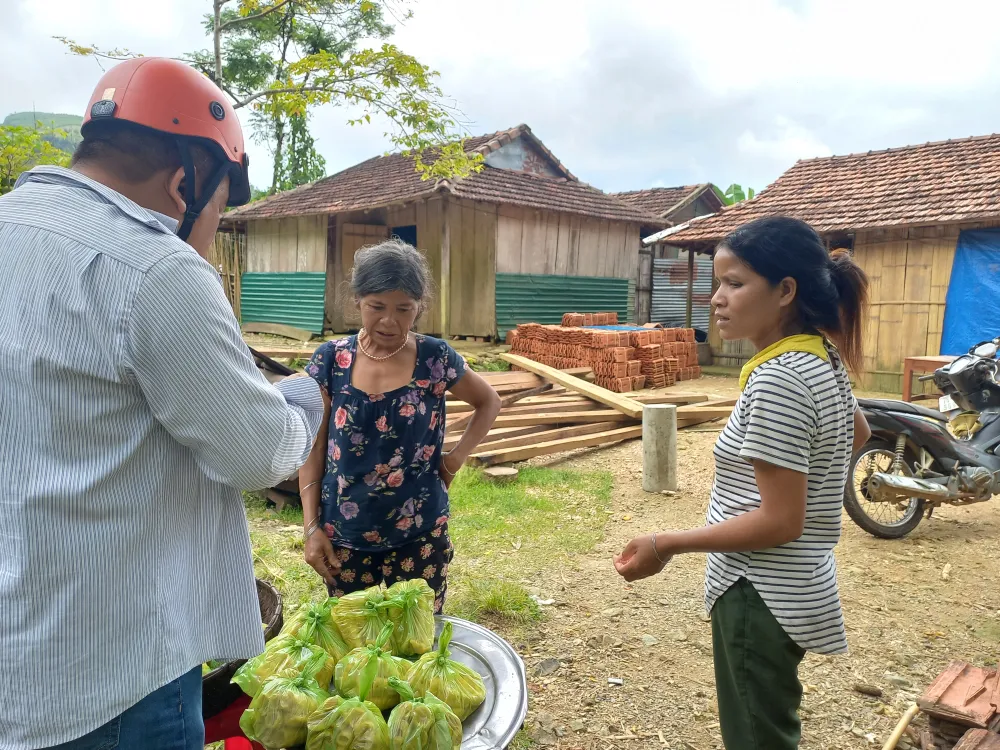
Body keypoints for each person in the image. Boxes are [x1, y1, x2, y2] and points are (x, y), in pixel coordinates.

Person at [0, 58, 323, 750]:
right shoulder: (153, 267)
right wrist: (306, 393)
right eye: (218, 214)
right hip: (112, 681)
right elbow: (257, 452)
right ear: (185, 184)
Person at [614, 216, 872, 750]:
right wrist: (812, 473)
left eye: (735, 283)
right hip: (795, 582)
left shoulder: (780, 377)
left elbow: (781, 520)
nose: (717, 298)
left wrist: (667, 543)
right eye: (718, 283)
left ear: (785, 291)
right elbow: (859, 430)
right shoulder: (818, 355)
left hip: (760, 590)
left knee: (756, 738)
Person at [299, 240, 502, 611]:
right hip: (345, 534)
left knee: (417, 642)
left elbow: (489, 401)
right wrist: (312, 528)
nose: (389, 321)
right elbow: (314, 446)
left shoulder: (434, 358)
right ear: (358, 300)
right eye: (376, 307)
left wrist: (453, 461)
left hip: (419, 533)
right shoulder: (332, 360)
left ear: (419, 307)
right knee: (355, 644)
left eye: (403, 309)